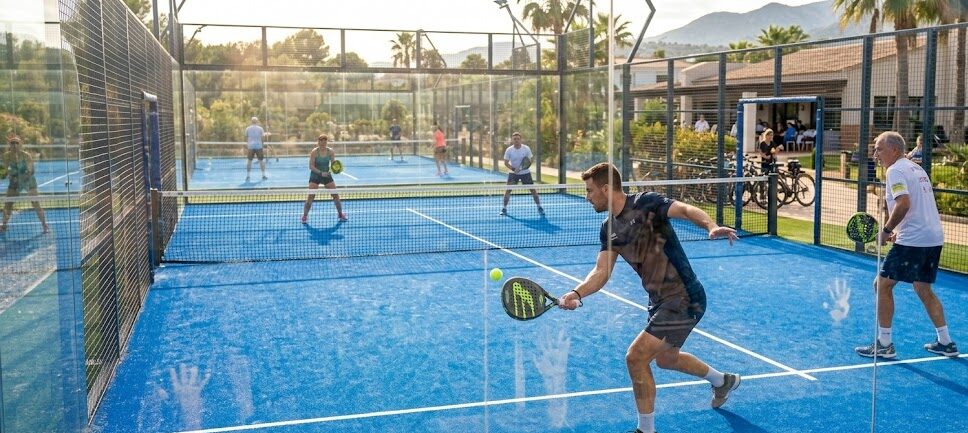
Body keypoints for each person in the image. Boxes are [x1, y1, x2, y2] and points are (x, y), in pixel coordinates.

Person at [558, 162, 740, 433]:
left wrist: (710, 225)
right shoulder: (608, 229)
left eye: (589, 191)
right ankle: (722, 381)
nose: (587, 197)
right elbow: (601, 271)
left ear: (606, 189)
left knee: (636, 357)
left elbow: (686, 209)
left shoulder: (647, 204)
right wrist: (576, 293)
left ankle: (646, 430)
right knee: (666, 359)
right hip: (659, 301)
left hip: (684, 296)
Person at [855, 131, 957, 358]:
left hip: (915, 239)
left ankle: (884, 344)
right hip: (932, 237)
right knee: (922, 287)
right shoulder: (916, 168)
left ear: (895, 150)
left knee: (881, 285)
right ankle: (946, 342)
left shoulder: (895, 170)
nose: (875, 154)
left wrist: (886, 230)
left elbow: (904, 204)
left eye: (879, 149)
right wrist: (896, 231)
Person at [1, 136, 49, 234]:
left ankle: (44, 225)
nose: (14, 145)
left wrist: (23, 177)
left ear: (20, 144)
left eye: (16, 143)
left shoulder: (26, 155)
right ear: (9, 145)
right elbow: (6, 170)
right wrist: (11, 176)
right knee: (8, 204)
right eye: (12, 143)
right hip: (14, 182)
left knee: (35, 203)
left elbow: (32, 170)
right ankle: (4, 225)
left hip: (29, 181)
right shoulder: (6, 156)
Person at [301, 134, 347, 223]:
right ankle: (305, 216)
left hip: (326, 175)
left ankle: (340, 214)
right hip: (315, 175)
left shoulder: (331, 152)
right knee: (311, 196)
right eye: (321, 141)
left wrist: (333, 170)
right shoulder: (314, 152)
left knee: (335, 195)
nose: (323, 143)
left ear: (326, 142)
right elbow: (311, 166)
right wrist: (320, 173)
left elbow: (333, 164)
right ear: (318, 142)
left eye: (324, 141)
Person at [499, 132, 543, 216]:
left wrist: (525, 167)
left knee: (533, 190)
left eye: (518, 139)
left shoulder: (526, 148)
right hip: (513, 174)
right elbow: (506, 162)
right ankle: (504, 208)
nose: (516, 140)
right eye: (514, 139)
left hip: (525, 173)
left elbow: (531, 159)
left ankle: (539, 207)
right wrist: (513, 169)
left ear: (520, 140)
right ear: (512, 140)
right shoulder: (509, 150)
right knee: (508, 191)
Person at [244, 116, 268, 182]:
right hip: (259, 146)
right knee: (261, 161)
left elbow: (246, 137)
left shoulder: (247, 128)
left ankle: (248, 176)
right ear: (257, 121)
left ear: (251, 121)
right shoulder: (260, 128)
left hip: (250, 147)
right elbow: (263, 138)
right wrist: (262, 145)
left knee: (249, 161)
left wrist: (248, 145)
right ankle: (263, 175)